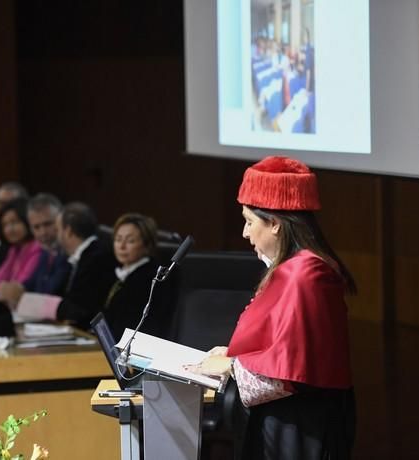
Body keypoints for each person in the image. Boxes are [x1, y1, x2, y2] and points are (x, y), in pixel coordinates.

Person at [187, 156, 356, 460]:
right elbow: (281, 345)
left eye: (250, 221)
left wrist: (232, 367)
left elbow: (289, 370)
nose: (244, 233)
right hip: (290, 418)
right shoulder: (295, 268)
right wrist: (233, 353)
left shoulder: (304, 274)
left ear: (275, 223)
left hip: (300, 424)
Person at [10, 202, 117, 330]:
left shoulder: (96, 258)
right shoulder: (84, 256)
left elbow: (80, 309)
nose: (56, 235)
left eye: (57, 229)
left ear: (68, 231)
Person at [103, 213, 176, 341]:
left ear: (147, 245)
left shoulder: (151, 279)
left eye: (130, 241)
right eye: (118, 239)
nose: (122, 246)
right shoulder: (119, 272)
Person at [0, 193, 71, 301]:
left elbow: (50, 292)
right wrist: (17, 288)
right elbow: (32, 283)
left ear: (61, 221)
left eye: (48, 224)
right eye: (36, 227)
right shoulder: (45, 252)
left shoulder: (68, 253)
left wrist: (20, 294)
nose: (43, 233)